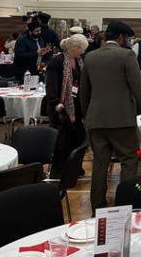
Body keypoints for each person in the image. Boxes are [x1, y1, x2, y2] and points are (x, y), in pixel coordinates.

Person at [80, 21, 141, 210]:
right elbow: (138, 89)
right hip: (122, 121)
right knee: (128, 160)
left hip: (96, 120)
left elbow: (84, 92)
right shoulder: (126, 55)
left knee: (100, 164)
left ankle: (97, 205)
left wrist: (87, 116)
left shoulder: (90, 57)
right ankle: (127, 202)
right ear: (120, 38)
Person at [47, 34, 89, 178]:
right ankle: (59, 171)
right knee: (62, 143)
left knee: (77, 138)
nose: (81, 52)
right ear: (73, 47)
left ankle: (74, 168)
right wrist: (55, 103)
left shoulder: (79, 61)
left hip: (76, 106)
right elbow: (51, 85)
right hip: (61, 107)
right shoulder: (57, 61)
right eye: (80, 49)